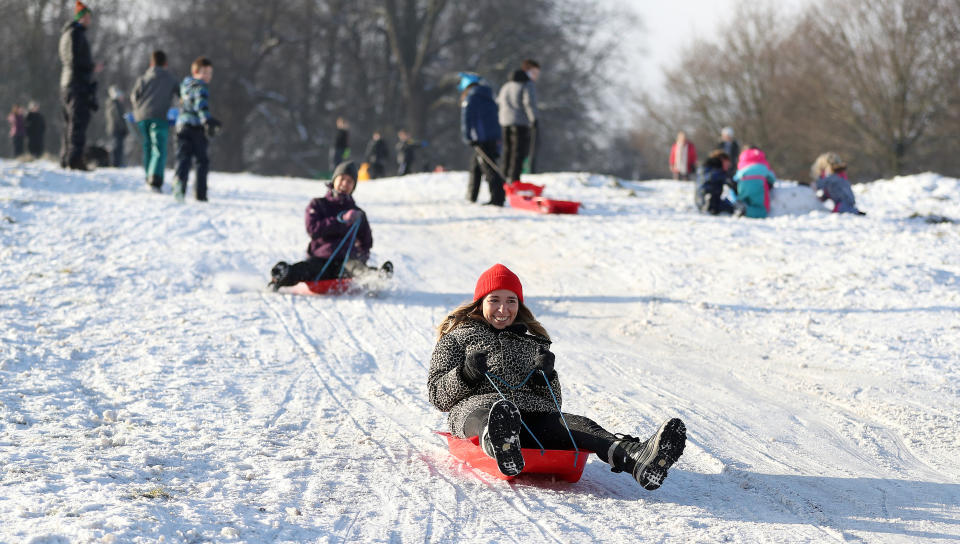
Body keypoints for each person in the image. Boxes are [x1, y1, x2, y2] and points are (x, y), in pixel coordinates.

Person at [428, 264, 687, 489]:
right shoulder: (457, 338)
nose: (503, 309)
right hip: (477, 410)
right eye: (494, 299)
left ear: (519, 305)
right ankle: (499, 442)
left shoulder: (533, 343)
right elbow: (438, 396)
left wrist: (546, 376)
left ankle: (636, 458)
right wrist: (466, 373)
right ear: (480, 301)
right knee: (492, 413)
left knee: (581, 425)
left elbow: (553, 405)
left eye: (511, 301)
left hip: (533, 416)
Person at [268, 161, 391, 290]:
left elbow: (366, 242)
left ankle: (375, 277)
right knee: (307, 269)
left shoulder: (358, 214)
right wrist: (340, 220)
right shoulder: (318, 204)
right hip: (321, 257)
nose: (345, 184)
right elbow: (313, 230)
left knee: (356, 268)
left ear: (353, 186)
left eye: (349, 181)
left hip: (345, 261)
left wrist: (362, 257)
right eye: (342, 179)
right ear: (334, 180)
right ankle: (282, 275)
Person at [131, 50, 179, 192]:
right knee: (159, 147)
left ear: (151, 63)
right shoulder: (170, 78)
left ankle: (148, 176)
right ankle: (155, 178)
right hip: (160, 116)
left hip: (142, 117)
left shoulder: (143, 78)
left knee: (147, 146)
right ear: (165, 64)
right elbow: (181, 94)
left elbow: (134, 96)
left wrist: (138, 109)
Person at [174, 56, 220, 202]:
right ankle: (200, 193)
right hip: (196, 127)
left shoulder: (185, 85)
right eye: (205, 72)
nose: (208, 76)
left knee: (184, 158)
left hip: (181, 126)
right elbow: (200, 103)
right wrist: (206, 119)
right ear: (195, 72)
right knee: (202, 160)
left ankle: (179, 184)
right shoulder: (200, 87)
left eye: (210, 73)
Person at [58, 1, 98, 170]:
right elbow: (75, 60)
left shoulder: (66, 33)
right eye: (88, 17)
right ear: (82, 17)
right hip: (77, 84)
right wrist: (91, 67)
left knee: (69, 123)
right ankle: (75, 160)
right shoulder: (76, 33)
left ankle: (66, 158)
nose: (89, 20)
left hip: (67, 83)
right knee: (78, 122)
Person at [459, 72, 505, 206]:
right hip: (493, 136)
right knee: (476, 165)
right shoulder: (488, 95)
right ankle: (471, 196)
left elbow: (467, 119)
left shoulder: (471, 97)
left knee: (489, 167)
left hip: (480, 138)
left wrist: (467, 136)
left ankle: (497, 198)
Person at [496, 60, 539, 183]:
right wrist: (534, 119)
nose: (536, 76)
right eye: (535, 72)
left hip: (504, 122)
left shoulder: (506, 85)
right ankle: (515, 180)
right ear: (528, 71)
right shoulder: (527, 85)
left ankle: (503, 178)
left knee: (507, 151)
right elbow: (529, 103)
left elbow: (499, 101)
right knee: (519, 153)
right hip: (520, 123)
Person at [732, 147, 776, 218]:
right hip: (758, 183)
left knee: (743, 199)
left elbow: (735, 178)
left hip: (743, 183)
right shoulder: (762, 165)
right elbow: (772, 178)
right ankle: (746, 210)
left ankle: (739, 206)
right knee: (762, 209)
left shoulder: (743, 164)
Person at [695, 150, 736, 215]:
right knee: (732, 208)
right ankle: (708, 204)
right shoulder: (717, 171)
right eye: (727, 163)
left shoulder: (704, 167)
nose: (728, 166)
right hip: (711, 201)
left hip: (699, 201)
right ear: (722, 159)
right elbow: (729, 182)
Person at [105, 86, 128, 167]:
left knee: (118, 146)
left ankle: (117, 163)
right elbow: (117, 117)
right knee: (116, 146)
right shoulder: (114, 104)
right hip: (116, 129)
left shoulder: (114, 103)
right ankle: (115, 163)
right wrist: (123, 128)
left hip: (115, 128)